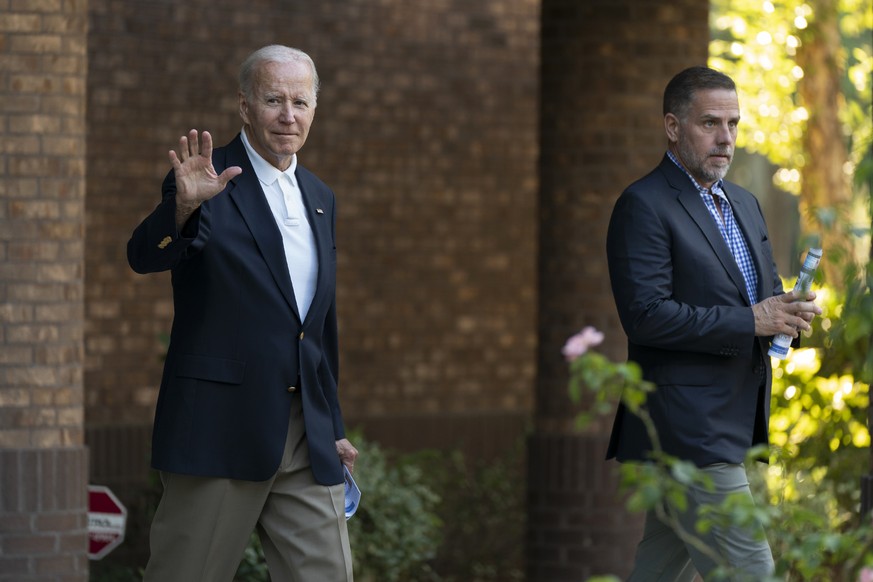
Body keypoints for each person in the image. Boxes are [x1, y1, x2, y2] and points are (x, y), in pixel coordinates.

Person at [128, 45, 357, 582]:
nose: (288, 115)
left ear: (315, 109)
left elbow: (316, 325)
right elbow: (144, 255)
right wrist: (183, 206)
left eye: (300, 101)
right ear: (244, 105)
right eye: (273, 99)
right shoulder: (208, 181)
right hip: (219, 430)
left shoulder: (320, 196)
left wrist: (335, 423)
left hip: (306, 437)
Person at [605, 66, 821, 580]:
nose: (726, 138)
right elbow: (645, 316)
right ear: (673, 127)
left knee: (659, 569)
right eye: (710, 123)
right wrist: (752, 319)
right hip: (688, 428)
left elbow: (763, 299)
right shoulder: (643, 205)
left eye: (734, 124)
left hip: (731, 419)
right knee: (751, 571)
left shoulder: (743, 203)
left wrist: (789, 311)